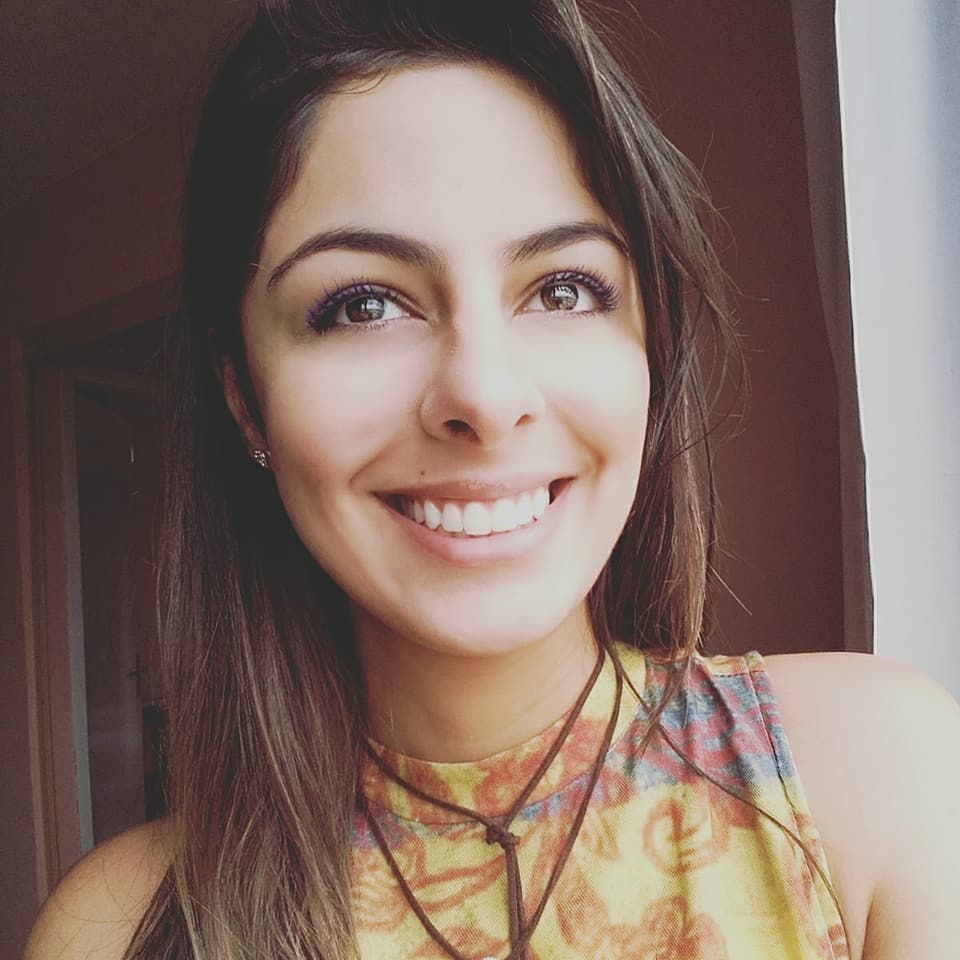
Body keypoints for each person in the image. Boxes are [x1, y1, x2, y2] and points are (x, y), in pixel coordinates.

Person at [25, 1, 960, 959]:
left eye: (564, 289)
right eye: (363, 305)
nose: (485, 392)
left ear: (651, 355)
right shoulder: (116, 928)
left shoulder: (881, 777)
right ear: (244, 396)